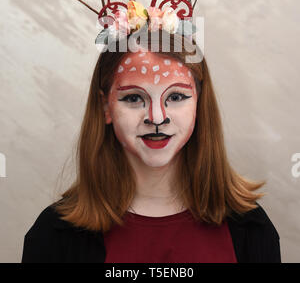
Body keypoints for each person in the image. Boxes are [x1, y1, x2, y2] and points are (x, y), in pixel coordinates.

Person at [21, 24, 281, 263]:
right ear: (105, 106)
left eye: (176, 96)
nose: (157, 117)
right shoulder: (54, 234)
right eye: (133, 98)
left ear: (200, 105)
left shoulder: (251, 228)